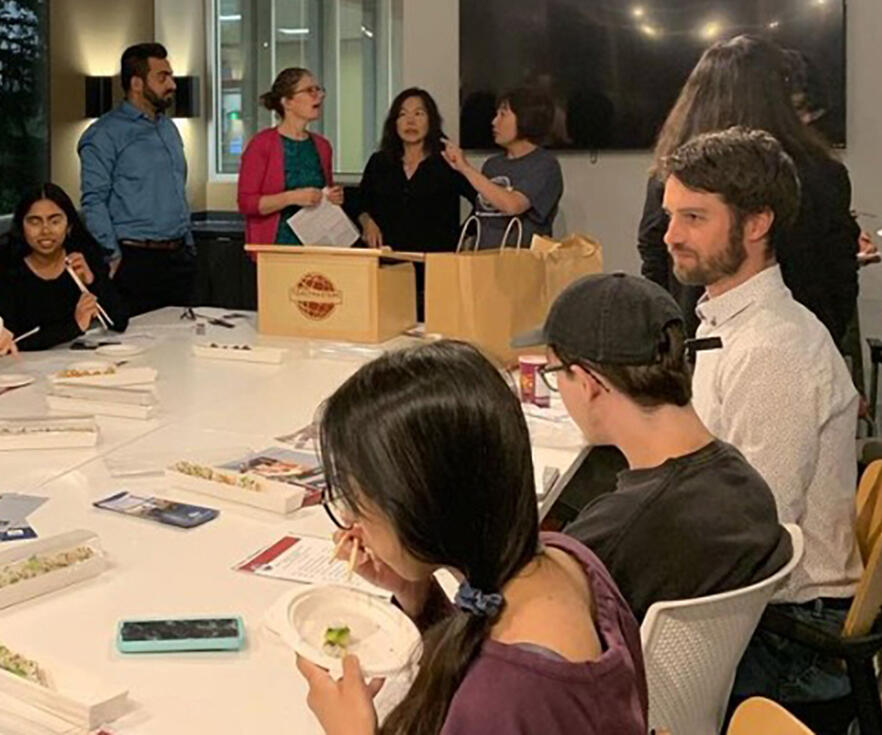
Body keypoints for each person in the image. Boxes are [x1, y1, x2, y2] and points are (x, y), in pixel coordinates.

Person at [296, 340, 648, 735]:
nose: (349, 520)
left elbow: (494, 694)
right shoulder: (568, 558)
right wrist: (419, 597)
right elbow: (474, 653)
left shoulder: (506, 694)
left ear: (419, 506)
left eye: (357, 502)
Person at [660, 126, 862, 709]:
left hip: (791, 641)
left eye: (694, 218)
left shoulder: (773, 349)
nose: (671, 236)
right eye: (671, 215)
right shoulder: (728, 322)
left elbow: (754, 532)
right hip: (769, 613)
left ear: (755, 224)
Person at [512, 273, 791, 622]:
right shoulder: (747, 483)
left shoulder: (613, 537)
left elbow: (510, 630)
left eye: (555, 373)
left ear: (587, 384)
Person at [637, 35, 859, 345]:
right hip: (796, 337)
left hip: (710, 344)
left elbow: (653, 253)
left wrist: (671, 338)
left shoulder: (672, 173)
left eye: (693, 217)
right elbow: (840, 268)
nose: (672, 235)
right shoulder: (823, 173)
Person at [78, 42, 195, 316]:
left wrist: (188, 244)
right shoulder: (104, 134)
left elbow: (178, 189)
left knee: (181, 345)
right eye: (162, 77)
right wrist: (112, 253)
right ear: (137, 83)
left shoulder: (168, 129)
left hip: (178, 257)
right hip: (136, 260)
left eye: (171, 76)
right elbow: (93, 200)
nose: (172, 85)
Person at [358, 88, 475, 318]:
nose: (410, 121)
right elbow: (361, 202)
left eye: (419, 114)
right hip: (388, 266)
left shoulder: (447, 162)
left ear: (431, 121)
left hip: (434, 269)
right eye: (403, 114)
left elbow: (480, 202)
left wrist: (462, 236)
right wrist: (367, 222)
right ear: (394, 122)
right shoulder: (380, 161)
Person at [0, 183, 128, 350]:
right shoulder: (6, 267)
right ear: (21, 227)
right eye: (35, 222)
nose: (45, 230)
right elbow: (11, 341)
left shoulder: (82, 257)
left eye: (55, 221)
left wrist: (92, 282)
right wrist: (74, 326)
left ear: (69, 226)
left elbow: (119, 321)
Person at [441, 88, 563, 249]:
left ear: (525, 119)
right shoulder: (492, 165)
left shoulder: (545, 165)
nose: (494, 122)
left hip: (521, 266)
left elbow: (513, 205)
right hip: (484, 262)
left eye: (503, 115)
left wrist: (465, 168)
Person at [237, 67, 342, 246]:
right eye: (310, 90)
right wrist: (292, 198)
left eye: (319, 89)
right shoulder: (262, 144)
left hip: (317, 244)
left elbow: (325, 193)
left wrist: (333, 197)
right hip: (276, 247)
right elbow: (246, 203)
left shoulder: (322, 146)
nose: (319, 96)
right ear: (287, 102)